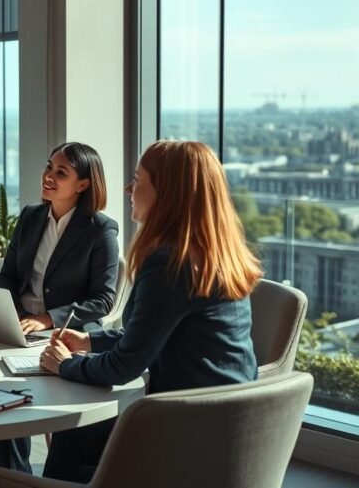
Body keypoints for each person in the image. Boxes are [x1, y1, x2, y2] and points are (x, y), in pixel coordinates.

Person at [39, 140, 261, 483]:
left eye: (138, 179)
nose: (128, 188)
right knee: (79, 437)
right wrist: (89, 341)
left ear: (166, 193)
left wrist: (65, 364)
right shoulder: (211, 254)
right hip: (228, 427)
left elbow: (124, 366)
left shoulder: (169, 263)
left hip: (185, 435)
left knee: (73, 436)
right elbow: (160, 334)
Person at [0, 142, 120, 474]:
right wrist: (10, 313)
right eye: (49, 167)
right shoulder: (31, 217)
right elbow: (8, 276)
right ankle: (13, 479)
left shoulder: (100, 230)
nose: (49, 176)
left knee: (19, 392)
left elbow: (102, 300)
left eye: (62, 172)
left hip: (66, 336)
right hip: (19, 328)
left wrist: (45, 319)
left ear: (83, 184)